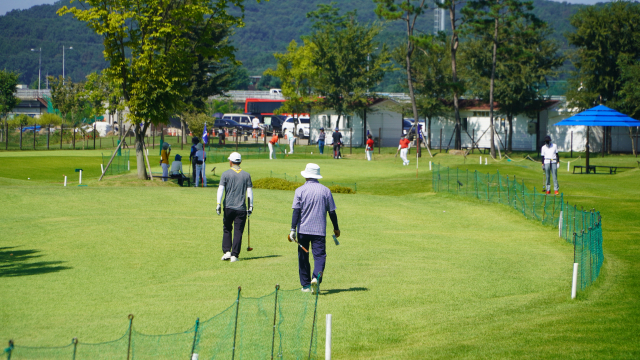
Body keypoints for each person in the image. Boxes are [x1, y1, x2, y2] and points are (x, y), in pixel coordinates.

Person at [289, 163, 340, 293]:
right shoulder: (325, 190)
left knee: (303, 256)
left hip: (303, 231)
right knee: (319, 256)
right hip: (319, 231)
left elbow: (296, 211)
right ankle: (316, 278)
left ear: (306, 176)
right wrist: (336, 228)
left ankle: (306, 285)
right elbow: (332, 212)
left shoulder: (299, 190)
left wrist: (292, 229)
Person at [217, 152, 253, 263]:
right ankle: (234, 255)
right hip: (241, 208)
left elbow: (220, 190)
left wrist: (218, 204)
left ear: (231, 162)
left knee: (227, 228)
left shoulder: (225, 174)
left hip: (228, 207)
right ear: (240, 162)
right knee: (238, 231)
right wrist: (251, 206)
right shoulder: (246, 175)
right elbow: (249, 192)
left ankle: (227, 251)